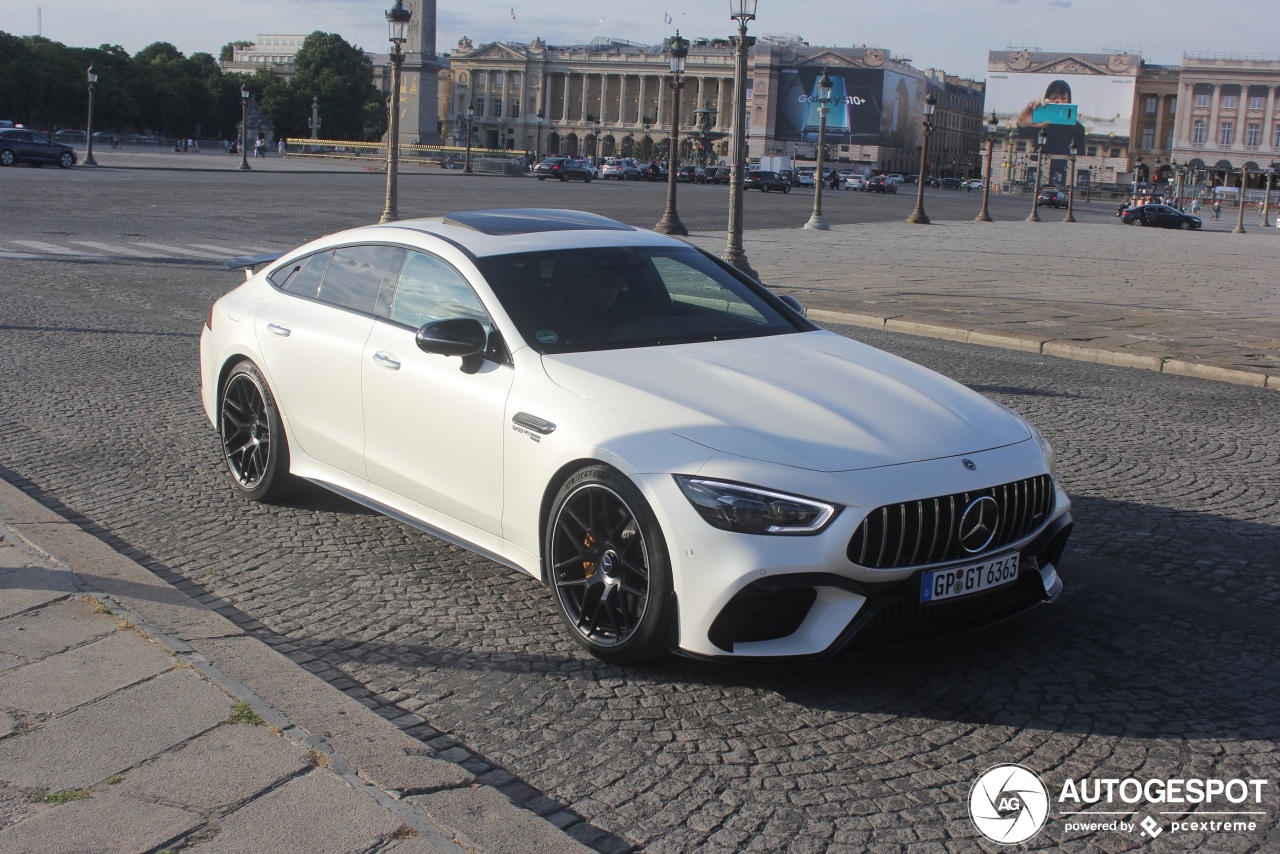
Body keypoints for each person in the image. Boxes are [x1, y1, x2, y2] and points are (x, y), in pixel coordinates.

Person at [1017, 79, 1087, 157]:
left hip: (1065, 168)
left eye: (1064, 98)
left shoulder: (1077, 128)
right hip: (1040, 167)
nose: (1059, 102)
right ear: (1047, 99)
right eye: (1054, 98)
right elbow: (1023, 132)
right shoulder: (1041, 123)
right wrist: (1021, 122)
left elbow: (1081, 159)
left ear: (1069, 100)